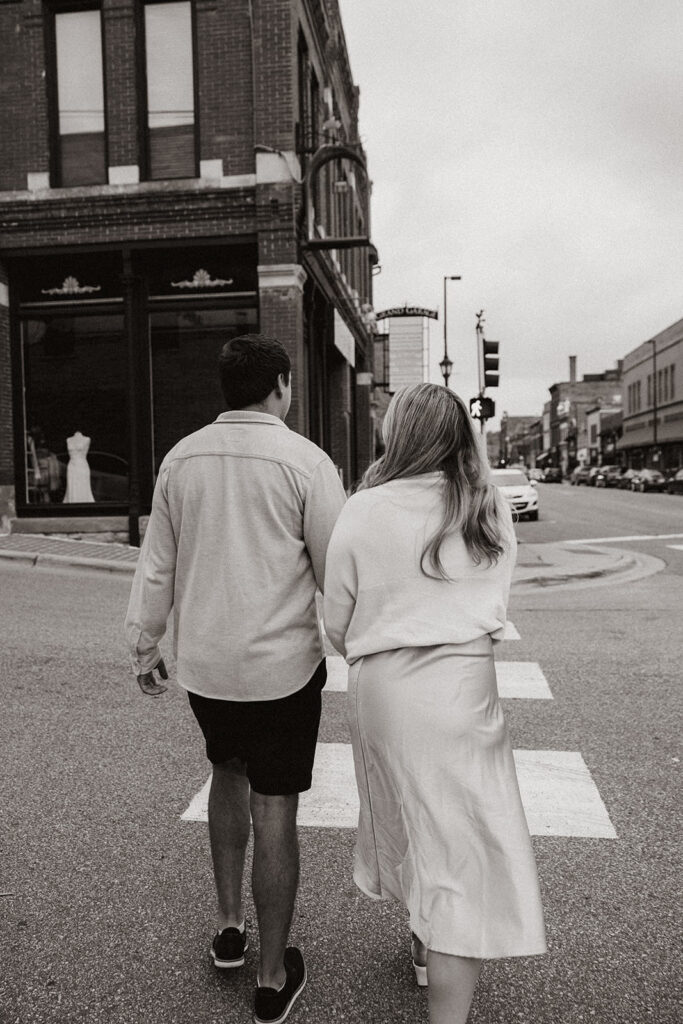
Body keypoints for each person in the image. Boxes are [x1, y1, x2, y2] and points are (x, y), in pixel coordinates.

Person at [124, 334, 346, 1024]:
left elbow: (156, 562)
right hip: (281, 668)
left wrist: (143, 642)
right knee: (275, 805)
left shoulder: (181, 460)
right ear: (279, 384)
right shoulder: (306, 463)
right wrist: (353, 643)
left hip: (208, 669)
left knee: (226, 771)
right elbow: (335, 571)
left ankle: (228, 927)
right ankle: (274, 976)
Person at [323, 383, 546, 1024]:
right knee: (462, 848)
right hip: (465, 690)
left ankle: (427, 939)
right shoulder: (486, 505)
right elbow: (496, 601)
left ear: (398, 434)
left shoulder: (365, 508)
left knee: (408, 819)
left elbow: (337, 619)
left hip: (387, 691)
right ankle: (440, 971)